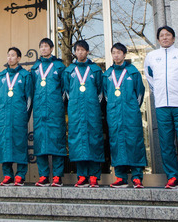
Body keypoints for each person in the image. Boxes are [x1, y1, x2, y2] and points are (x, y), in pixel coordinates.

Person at [144, 26, 178, 190]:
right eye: (162, 35)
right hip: (162, 105)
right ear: (158, 39)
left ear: (173, 38)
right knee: (166, 143)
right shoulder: (152, 56)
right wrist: (158, 93)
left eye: (168, 35)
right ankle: (172, 177)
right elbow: (149, 77)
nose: (165, 38)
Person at [103, 43, 147, 188]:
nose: (116, 55)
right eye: (114, 53)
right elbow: (105, 95)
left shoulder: (132, 72)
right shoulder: (108, 74)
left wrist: (132, 108)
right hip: (114, 114)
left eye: (119, 53)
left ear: (124, 54)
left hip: (130, 114)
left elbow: (140, 93)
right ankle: (120, 177)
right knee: (116, 143)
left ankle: (136, 177)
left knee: (134, 142)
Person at [63, 40, 104, 188]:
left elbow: (100, 92)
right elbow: (67, 92)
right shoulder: (69, 71)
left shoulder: (95, 70)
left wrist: (92, 105)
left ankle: (93, 176)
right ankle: (81, 175)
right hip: (75, 112)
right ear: (74, 52)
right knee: (77, 142)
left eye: (82, 50)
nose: (80, 52)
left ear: (87, 52)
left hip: (91, 111)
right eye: (77, 50)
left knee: (94, 141)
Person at [31, 38, 66, 187]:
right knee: (40, 144)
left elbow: (65, 90)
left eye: (46, 46)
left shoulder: (59, 66)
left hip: (55, 111)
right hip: (40, 111)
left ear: (52, 49)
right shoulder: (35, 68)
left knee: (57, 143)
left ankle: (57, 176)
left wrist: (59, 105)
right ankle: (44, 176)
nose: (44, 49)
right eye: (41, 47)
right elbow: (31, 89)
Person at [0, 47, 34, 186]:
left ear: (19, 58)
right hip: (4, 117)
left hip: (19, 116)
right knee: (5, 144)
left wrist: (24, 116)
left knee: (20, 144)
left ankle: (20, 175)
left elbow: (29, 98)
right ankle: (7, 174)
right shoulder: (1, 76)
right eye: (8, 55)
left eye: (13, 55)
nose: (10, 58)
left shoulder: (25, 75)